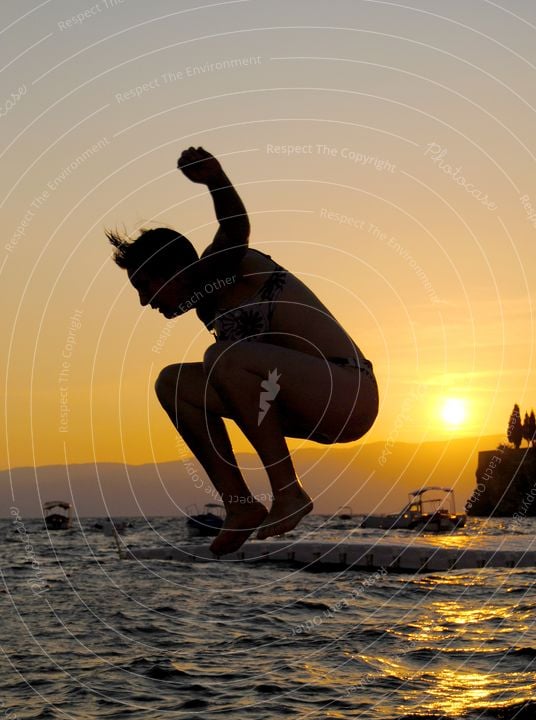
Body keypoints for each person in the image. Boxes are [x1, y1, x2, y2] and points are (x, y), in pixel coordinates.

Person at [107, 146, 378, 555]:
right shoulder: (207, 306)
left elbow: (234, 228)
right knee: (174, 382)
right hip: (308, 406)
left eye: (146, 286)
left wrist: (215, 179)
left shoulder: (222, 267)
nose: (145, 301)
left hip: (348, 392)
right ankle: (240, 505)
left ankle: (288, 493)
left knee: (221, 358)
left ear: (176, 270)